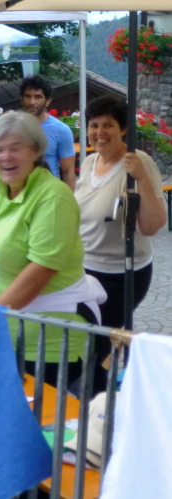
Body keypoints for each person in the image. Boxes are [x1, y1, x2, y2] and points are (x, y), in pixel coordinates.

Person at [0, 111, 106, 386]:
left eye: (15, 148)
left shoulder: (54, 196)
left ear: (35, 151)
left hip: (48, 341)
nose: (6, 157)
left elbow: (41, 270)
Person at [74, 95, 166, 390]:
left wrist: (141, 177)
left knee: (99, 345)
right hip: (83, 270)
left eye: (108, 125)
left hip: (122, 275)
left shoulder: (138, 163)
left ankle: (100, 404)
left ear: (123, 129)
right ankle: (88, 398)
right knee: (81, 341)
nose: (99, 132)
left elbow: (152, 226)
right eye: (94, 125)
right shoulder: (89, 162)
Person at [20, 75, 76, 191]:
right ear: (22, 99)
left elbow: (68, 171)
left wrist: (68, 199)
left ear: (48, 101)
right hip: (19, 194)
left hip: (49, 194)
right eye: (27, 96)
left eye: (38, 97)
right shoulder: (12, 128)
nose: (32, 102)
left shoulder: (61, 130)